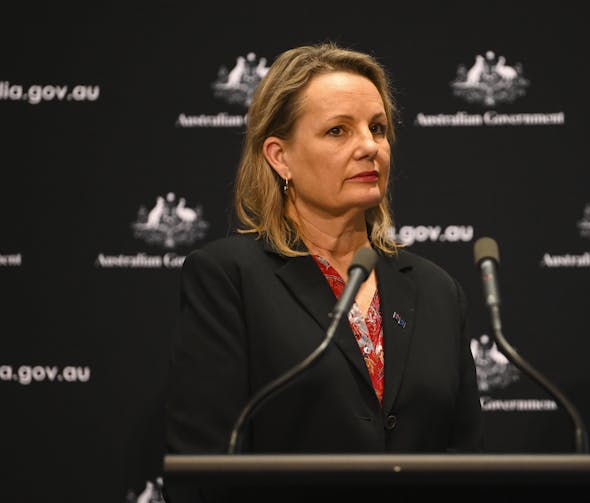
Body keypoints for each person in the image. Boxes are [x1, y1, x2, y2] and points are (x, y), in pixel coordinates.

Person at [163, 42, 483, 495]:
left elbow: (467, 461)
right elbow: (206, 468)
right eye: (338, 131)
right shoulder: (230, 278)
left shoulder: (436, 290)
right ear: (280, 157)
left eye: (377, 128)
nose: (369, 147)